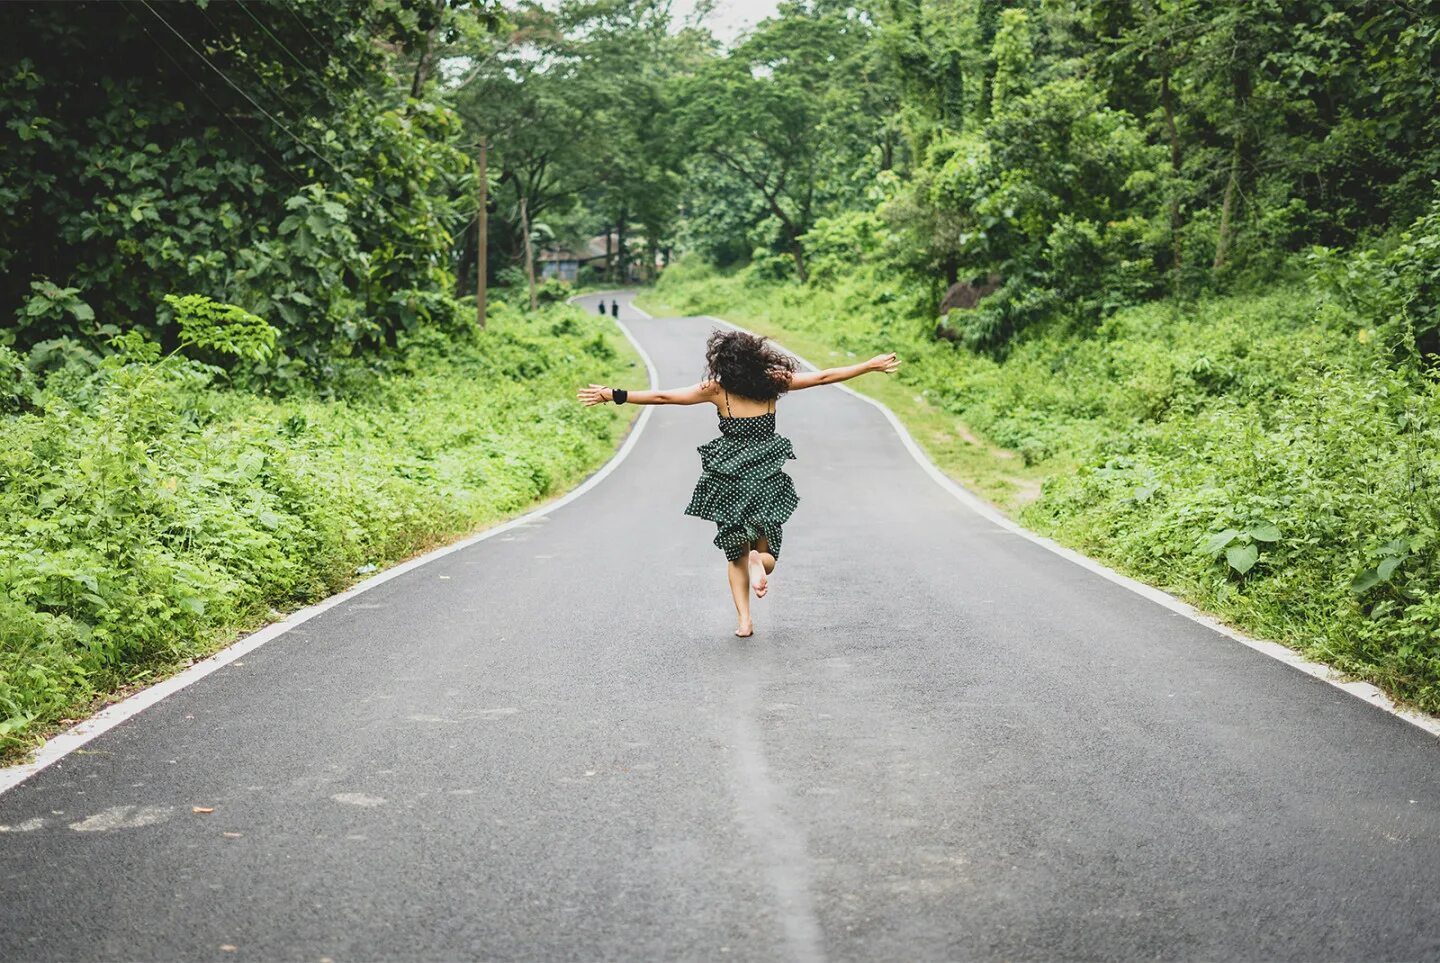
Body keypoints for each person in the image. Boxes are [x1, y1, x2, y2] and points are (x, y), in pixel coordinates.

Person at [579, 329, 900, 637]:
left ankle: (745, 621)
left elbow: (664, 396)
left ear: (723, 362)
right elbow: (825, 376)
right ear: (758, 357)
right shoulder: (774, 381)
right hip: (766, 473)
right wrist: (869, 365)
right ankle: (759, 561)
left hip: (729, 475)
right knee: (767, 551)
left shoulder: (716, 389)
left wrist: (613, 394)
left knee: (735, 556)